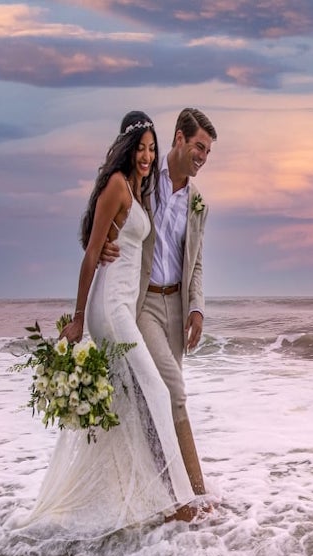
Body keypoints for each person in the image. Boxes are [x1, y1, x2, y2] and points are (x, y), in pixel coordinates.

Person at [16, 111, 197, 538]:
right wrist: (78, 318)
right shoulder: (117, 185)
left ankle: (134, 501)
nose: (148, 156)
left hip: (121, 306)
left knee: (131, 406)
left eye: (152, 149)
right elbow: (91, 254)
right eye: (141, 148)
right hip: (108, 307)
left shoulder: (136, 188)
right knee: (154, 390)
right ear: (126, 148)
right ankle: (177, 502)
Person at [101, 107, 217, 522]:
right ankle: (186, 497)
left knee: (166, 398)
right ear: (180, 139)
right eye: (199, 147)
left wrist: (197, 308)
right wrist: (103, 245)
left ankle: (187, 495)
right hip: (143, 300)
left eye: (208, 151)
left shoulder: (199, 204)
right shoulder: (145, 179)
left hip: (176, 307)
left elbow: (196, 262)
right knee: (171, 390)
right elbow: (110, 209)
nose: (203, 156)